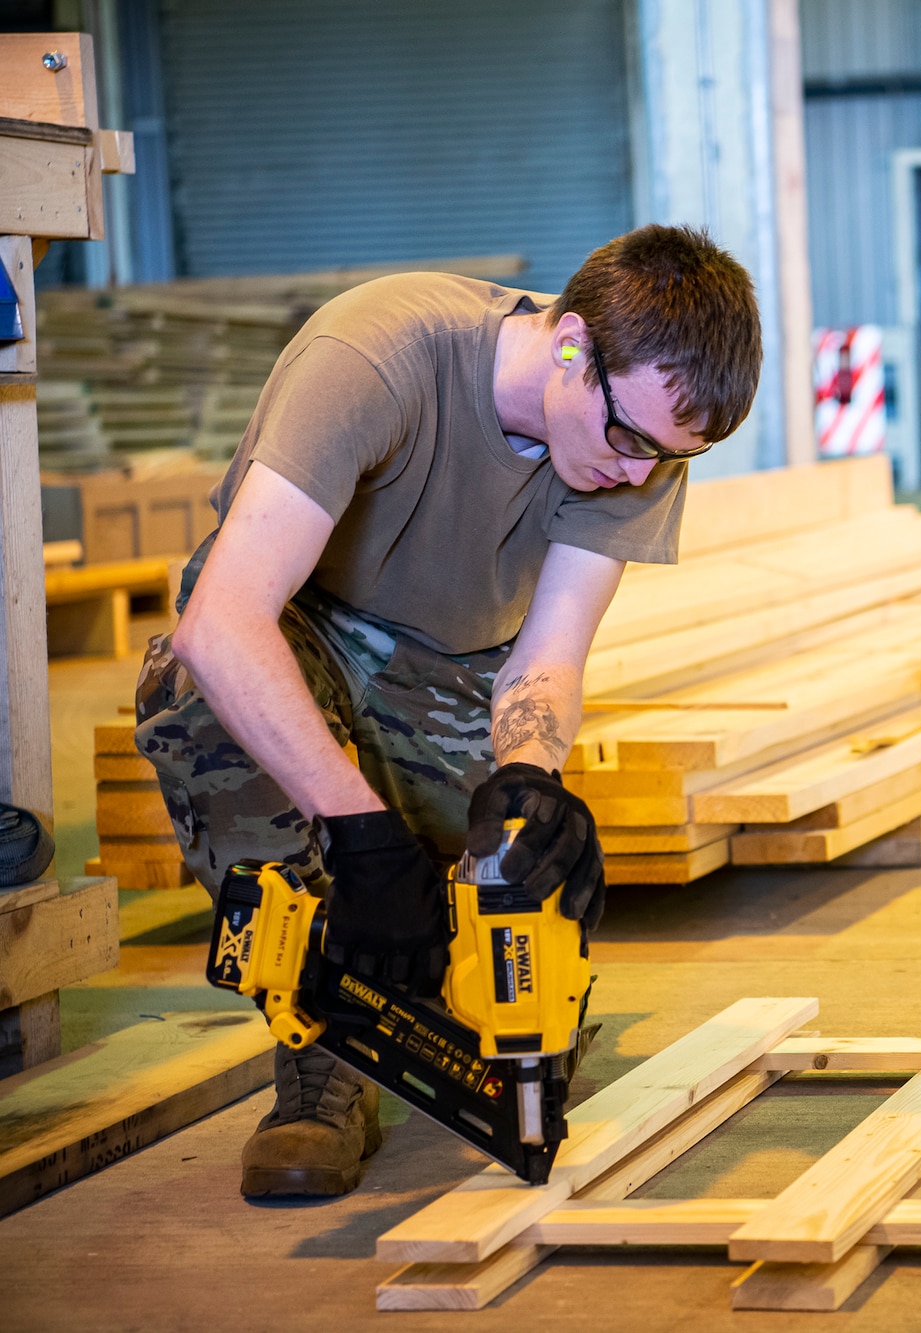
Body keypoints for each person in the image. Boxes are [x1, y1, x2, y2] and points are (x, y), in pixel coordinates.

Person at [134, 225, 761, 1198]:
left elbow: (547, 659)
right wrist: (359, 832)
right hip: (298, 625)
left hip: (457, 668)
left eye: (670, 457)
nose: (638, 476)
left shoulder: (641, 444)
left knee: (510, 873)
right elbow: (223, 622)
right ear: (569, 346)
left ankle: (465, 1012)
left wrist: (525, 787)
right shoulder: (375, 356)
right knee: (193, 700)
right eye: (630, 440)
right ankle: (323, 1056)